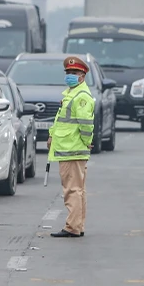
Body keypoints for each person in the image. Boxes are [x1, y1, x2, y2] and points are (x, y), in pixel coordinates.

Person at [48, 56, 96, 238]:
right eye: (68, 73)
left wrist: (86, 141)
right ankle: (78, 225)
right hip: (70, 148)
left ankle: (72, 227)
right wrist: (52, 134)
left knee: (72, 190)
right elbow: (62, 120)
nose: (70, 76)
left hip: (72, 149)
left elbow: (85, 124)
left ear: (82, 76)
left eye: (74, 73)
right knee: (78, 189)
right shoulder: (71, 94)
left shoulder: (81, 97)